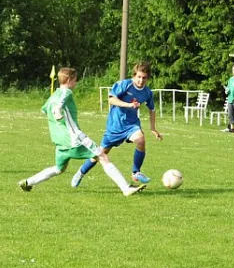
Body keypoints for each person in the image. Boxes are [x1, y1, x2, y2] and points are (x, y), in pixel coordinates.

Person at [18, 67, 145, 197]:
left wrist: (57, 116)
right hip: (74, 139)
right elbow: (59, 105)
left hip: (60, 141)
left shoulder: (53, 96)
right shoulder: (65, 92)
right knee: (103, 156)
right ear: (69, 80)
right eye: (75, 79)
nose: (76, 82)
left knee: (58, 169)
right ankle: (126, 188)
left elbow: (45, 110)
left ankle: (28, 182)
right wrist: (58, 111)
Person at [70, 62, 162, 189]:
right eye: (139, 77)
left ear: (148, 78)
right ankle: (81, 172)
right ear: (134, 76)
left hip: (131, 125)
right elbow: (111, 99)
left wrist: (153, 128)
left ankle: (136, 172)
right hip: (115, 127)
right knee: (99, 155)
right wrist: (128, 105)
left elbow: (152, 109)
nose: (141, 80)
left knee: (140, 139)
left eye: (144, 78)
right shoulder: (124, 85)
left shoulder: (147, 92)